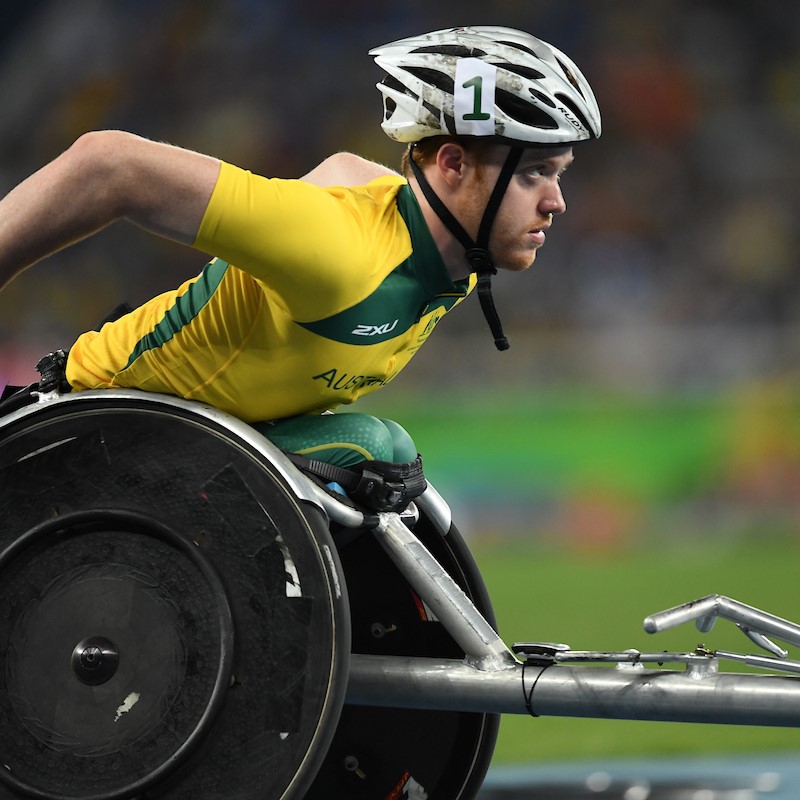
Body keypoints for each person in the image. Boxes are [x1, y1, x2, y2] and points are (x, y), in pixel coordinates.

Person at [0, 26, 600, 507]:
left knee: (385, 458)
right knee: (376, 449)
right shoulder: (335, 250)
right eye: (531, 175)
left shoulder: (453, 251)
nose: (555, 202)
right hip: (80, 444)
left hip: (189, 441)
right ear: (451, 164)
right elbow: (109, 165)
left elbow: (344, 166)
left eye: (557, 173)